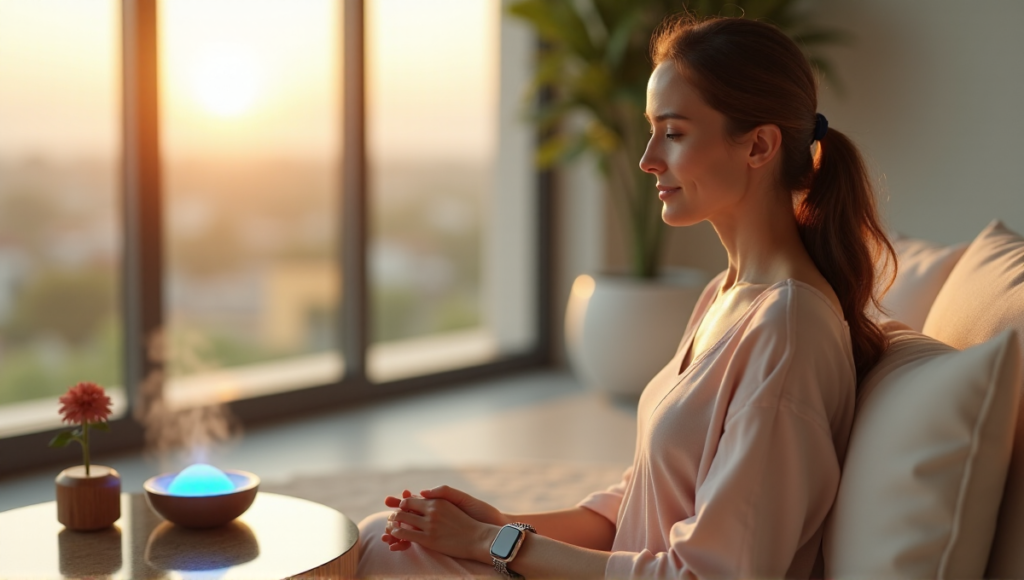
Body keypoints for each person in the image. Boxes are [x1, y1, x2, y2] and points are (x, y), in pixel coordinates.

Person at [356, 15, 895, 579]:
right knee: (386, 536)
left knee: (383, 555)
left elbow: (711, 574)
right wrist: (496, 523)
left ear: (758, 145)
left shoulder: (788, 329)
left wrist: (496, 542)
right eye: (651, 129)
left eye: (675, 132)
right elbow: (633, 507)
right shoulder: (727, 292)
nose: (647, 159)